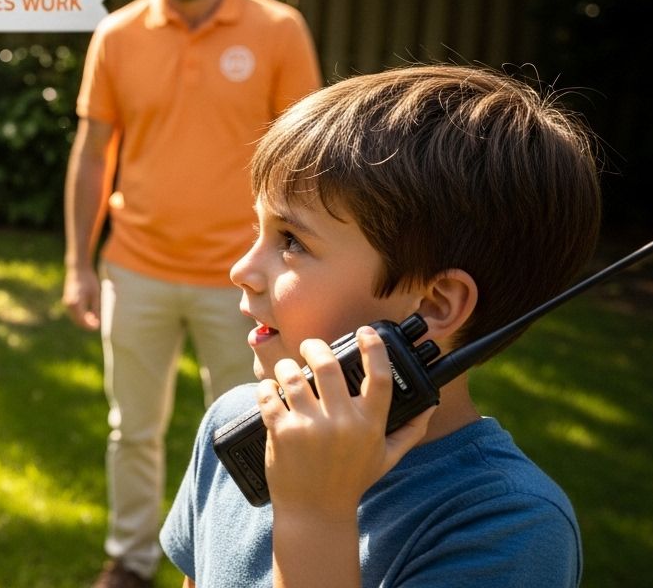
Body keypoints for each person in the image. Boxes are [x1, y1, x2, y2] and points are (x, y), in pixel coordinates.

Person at [160, 65, 601, 587]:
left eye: (292, 242)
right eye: (260, 228)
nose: (242, 270)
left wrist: (316, 514)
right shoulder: (237, 425)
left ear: (436, 305)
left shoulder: (508, 526)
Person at [63, 0, 321, 587]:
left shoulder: (277, 30)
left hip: (249, 279)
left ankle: (241, 566)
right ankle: (131, 560)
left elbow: (306, 164)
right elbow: (92, 159)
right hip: (136, 265)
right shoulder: (116, 36)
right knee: (133, 431)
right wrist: (79, 266)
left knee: (258, 426)